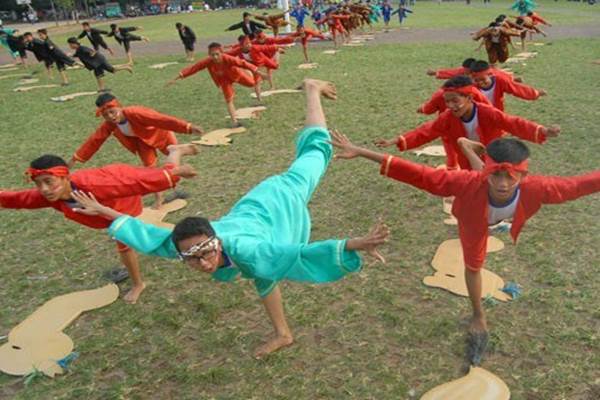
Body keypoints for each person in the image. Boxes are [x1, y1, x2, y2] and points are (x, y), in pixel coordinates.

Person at [70, 79, 390, 358]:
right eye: (193, 259)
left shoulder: (245, 250)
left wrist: (354, 244)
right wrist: (106, 212)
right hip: (252, 212)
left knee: (317, 152)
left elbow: (297, 254)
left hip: (281, 200)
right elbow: (148, 236)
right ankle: (283, 333)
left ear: (216, 241)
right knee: (262, 274)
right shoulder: (185, 245)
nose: (203, 263)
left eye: (206, 253)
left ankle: (311, 90)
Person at [330, 131, 600, 365]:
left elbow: (578, 185)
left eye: (512, 176)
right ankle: (478, 315)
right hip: (472, 217)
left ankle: (468, 148)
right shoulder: (465, 184)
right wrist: (361, 152)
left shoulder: (539, 188)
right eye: (497, 174)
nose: (504, 183)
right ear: (490, 170)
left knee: (480, 177)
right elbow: (418, 173)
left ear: (523, 172)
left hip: (490, 202)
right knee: (474, 266)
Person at [0, 145, 199, 304]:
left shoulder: (96, 184)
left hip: (122, 197)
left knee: (124, 243)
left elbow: (135, 182)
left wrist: (176, 174)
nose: (43, 189)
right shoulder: (51, 195)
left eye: (48, 181)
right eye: (38, 183)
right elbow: (20, 198)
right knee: (163, 175)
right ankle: (176, 151)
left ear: (66, 177)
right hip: (107, 208)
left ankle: (138, 284)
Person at [373, 76, 560, 170]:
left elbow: (513, 123)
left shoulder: (487, 113)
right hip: (467, 158)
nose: (451, 106)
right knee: (474, 184)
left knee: (496, 181)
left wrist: (543, 130)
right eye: (447, 101)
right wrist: (396, 140)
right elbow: (426, 131)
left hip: (493, 153)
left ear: (470, 98)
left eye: (455, 100)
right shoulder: (447, 117)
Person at [68, 92, 203, 207]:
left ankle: (178, 152)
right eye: (106, 115)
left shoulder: (134, 112)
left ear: (119, 107)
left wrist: (187, 127)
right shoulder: (109, 124)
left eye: (112, 112)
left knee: (172, 160)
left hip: (159, 134)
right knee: (150, 169)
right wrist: (76, 157)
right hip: (142, 142)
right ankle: (159, 198)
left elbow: (161, 119)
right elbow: (95, 140)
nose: (110, 116)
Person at [167, 42, 268, 127]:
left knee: (252, 83)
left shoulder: (228, 58)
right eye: (212, 55)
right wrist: (178, 77)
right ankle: (234, 122)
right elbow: (194, 68)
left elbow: (244, 63)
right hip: (224, 79)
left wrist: (259, 72)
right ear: (209, 54)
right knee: (228, 100)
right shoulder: (208, 61)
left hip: (236, 74)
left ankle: (249, 75)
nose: (215, 57)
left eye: (217, 54)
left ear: (221, 53)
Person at [469, 60, 545, 111]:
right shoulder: (471, 86)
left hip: (496, 110)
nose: (480, 83)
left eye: (483, 79)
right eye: (476, 80)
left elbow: (517, 89)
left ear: (490, 75)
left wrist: (535, 93)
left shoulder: (499, 80)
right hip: (478, 112)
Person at [67, 38, 132, 92]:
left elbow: (92, 52)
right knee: (98, 75)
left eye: (70, 44)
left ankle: (126, 67)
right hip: (96, 63)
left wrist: (92, 54)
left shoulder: (82, 48)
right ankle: (102, 88)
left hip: (99, 61)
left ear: (74, 44)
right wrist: (71, 55)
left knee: (113, 70)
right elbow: (78, 54)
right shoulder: (78, 49)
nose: (70, 46)